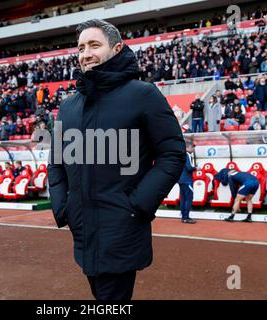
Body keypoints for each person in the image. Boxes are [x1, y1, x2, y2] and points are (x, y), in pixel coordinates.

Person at [47, 19, 186, 301]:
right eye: (81, 47)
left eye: (94, 45)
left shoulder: (144, 94)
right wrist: (64, 207)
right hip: (83, 229)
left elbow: (172, 153)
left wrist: (136, 206)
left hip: (121, 229)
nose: (86, 53)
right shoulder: (68, 105)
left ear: (117, 48)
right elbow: (56, 162)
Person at [179, 142, 197, 224]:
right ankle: (186, 217)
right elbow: (189, 168)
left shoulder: (181, 155)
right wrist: (196, 168)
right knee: (188, 199)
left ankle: (184, 217)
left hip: (181, 180)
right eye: (192, 147)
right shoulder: (187, 155)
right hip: (187, 180)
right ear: (187, 148)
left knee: (183, 198)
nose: (193, 149)